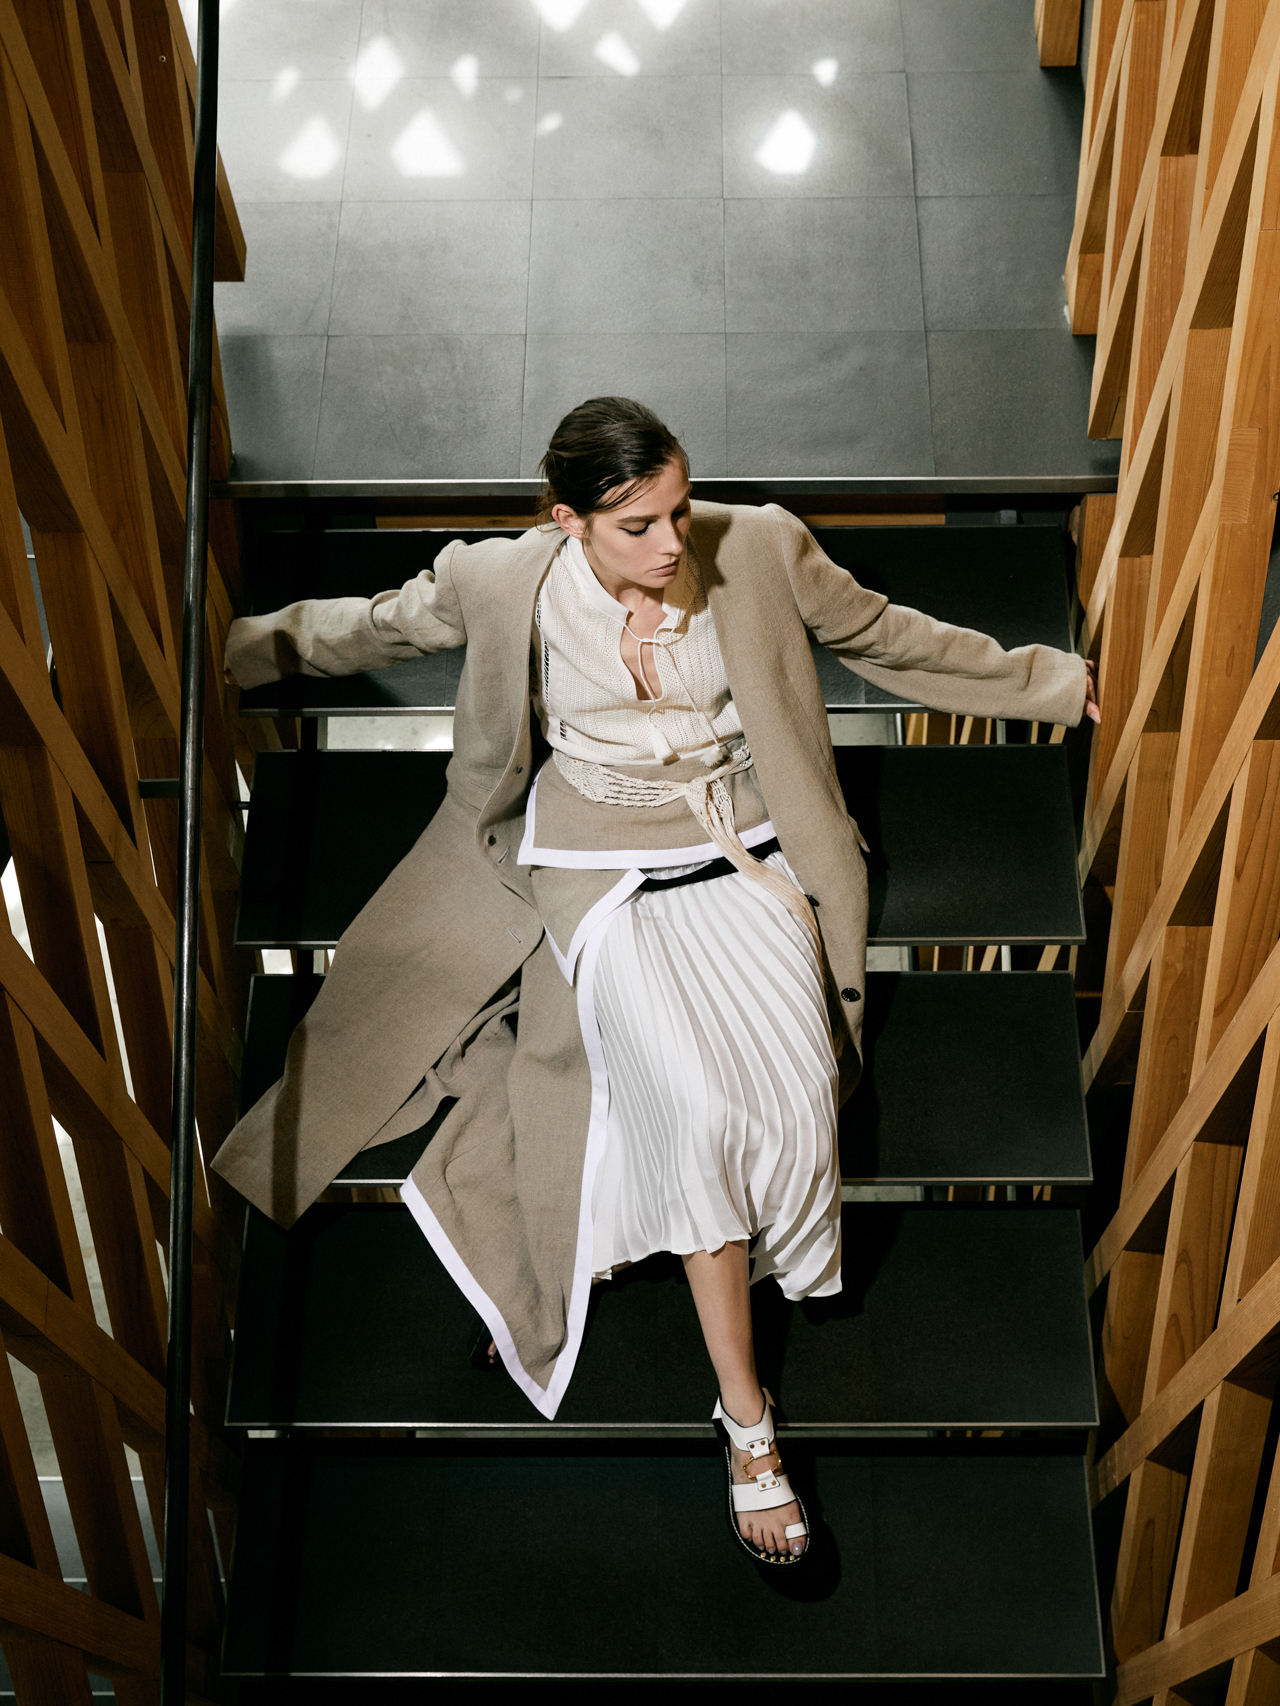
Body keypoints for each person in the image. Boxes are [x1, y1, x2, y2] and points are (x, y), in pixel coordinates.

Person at [215, 397, 1099, 1567]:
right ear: (567, 522)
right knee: (691, 1107)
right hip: (595, 863)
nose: (673, 541)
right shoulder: (502, 580)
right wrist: (232, 649)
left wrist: (1044, 682)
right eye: (637, 524)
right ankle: (746, 1420)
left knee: (799, 1100)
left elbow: (886, 635)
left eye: (679, 509)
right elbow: (377, 626)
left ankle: (717, 1247)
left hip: (745, 848)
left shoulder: (759, 545)